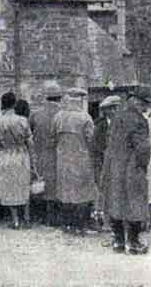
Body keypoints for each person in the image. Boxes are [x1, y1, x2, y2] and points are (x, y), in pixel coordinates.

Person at [101, 86, 151, 255]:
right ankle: (133, 243)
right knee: (135, 203)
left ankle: (118, 241)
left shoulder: (117, 117)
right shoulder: (139, 120)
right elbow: (143, 148)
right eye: (146, 104)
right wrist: (143, 166)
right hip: (132, 167)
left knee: (116, 202)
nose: (147, 108)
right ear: (137, 102)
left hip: (114, 165)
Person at [0, 92, 38, 229]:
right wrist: (34, 163)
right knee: (24, 186)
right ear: (14, 104)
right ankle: (27, 218)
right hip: (22, 155)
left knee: (9, 188)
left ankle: (15, 220)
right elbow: (31, 144)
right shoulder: (23, 121)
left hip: (5, 156)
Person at [52, 89, 97, 236]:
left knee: (65, 192)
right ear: (81, 100)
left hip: (62, 159)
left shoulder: (58, 117)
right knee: (82, 193)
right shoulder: (85, 117)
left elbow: (53, 138)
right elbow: (91, 141)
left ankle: (67, 224)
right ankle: (81, 226)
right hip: (81, 159)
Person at [28, 82, 63, 226]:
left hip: (40, 154)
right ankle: (55, 217)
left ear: (45, 97)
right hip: (57, 156)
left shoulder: (35, 114)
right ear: (59, 98)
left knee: (40, 184)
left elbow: (28, 134)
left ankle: (41, 217)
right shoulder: (63, 115)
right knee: (56, 186)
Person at [92, 95, 122, 230]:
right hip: (103, 162)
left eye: (116, 108)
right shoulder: (99, 125)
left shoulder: (122, 123)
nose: (115, 111)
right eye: (113, 109)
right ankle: (105, 221)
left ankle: (117, 220)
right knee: (104, 191)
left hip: (118, 162)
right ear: (107, 110)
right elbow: (96, 145)